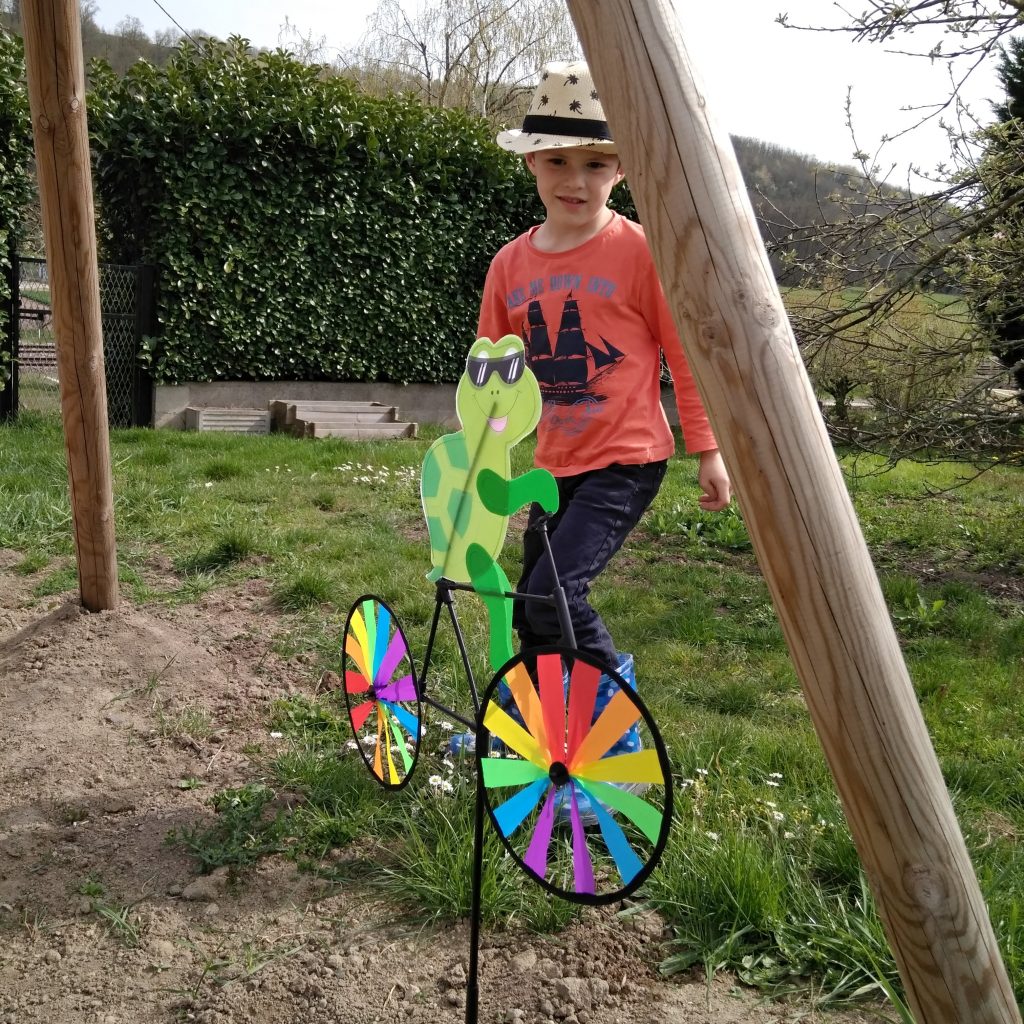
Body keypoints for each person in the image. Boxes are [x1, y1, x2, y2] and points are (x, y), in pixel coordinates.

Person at [476, 60, 731, 691]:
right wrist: (478, 455)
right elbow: (492, 374)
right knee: (531, 607)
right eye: (558, 161)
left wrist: (708, 448)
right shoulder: (509, 265)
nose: (576, 180)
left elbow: (686, 358)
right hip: (552, 464)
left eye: (595, 164)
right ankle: (542, 724)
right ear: (531, 162)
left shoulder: (640, 252)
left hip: (625, 459)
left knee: (556, 592)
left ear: (621, 170)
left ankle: (613, 720)